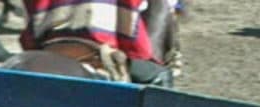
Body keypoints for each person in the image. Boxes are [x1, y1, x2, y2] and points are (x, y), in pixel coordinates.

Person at [18, 0, 173, 87]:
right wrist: (138, 51)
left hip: (49, 42)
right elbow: (131, 7)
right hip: (98, 41)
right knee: (158, 74)